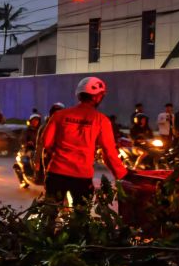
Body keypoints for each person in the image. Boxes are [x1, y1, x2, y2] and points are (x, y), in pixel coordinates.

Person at [38, 77, 128, 207]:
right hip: (82, 177)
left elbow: (46, 143)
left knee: (49, 215)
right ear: (97, 97)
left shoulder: (59, 116)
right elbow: (108, 153)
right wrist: (122, 174)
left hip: (56, 173)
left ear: (79, 94)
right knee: (81, 218)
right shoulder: (101, 120)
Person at [13, 113, 42, 189]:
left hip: (42, 149)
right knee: (30, 158)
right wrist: (27, 143)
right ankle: (31, 175)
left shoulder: (42, 130)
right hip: (30, 150)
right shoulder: (26, 130)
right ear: (30, 121)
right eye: (34, 120)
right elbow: (22, 140)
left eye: (37, 120)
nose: (35, 122)